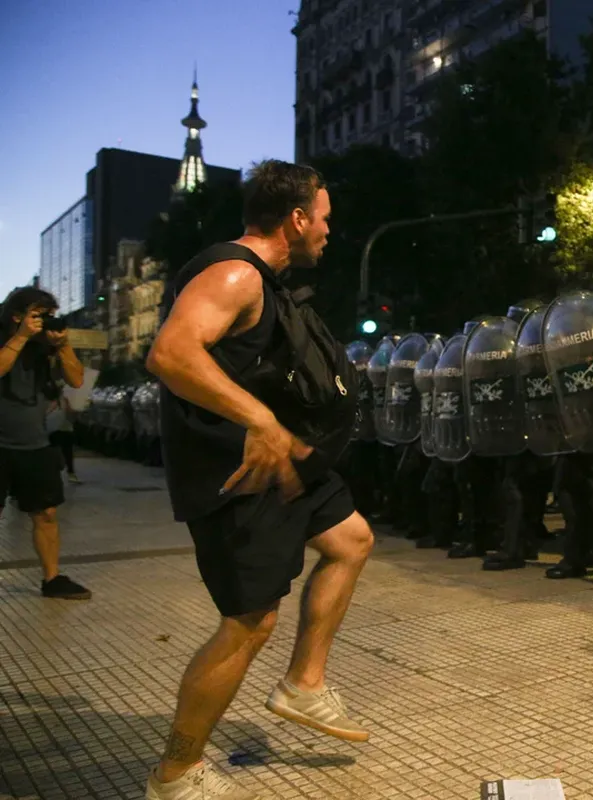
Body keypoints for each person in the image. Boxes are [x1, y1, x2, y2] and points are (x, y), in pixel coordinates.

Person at [144, 160, 374, 800]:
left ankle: (304, 684)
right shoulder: (236, 273)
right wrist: (260, 421)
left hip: (287, 467)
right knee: (248, 624)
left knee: (351, 541)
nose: (329, 230)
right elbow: (170, 353)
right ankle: (174, 774)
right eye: (324, 217)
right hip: (240, 474)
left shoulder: (267, 284)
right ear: (297, 218)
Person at [0, 287, 89, 599]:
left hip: (35, 444)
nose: (45, 323)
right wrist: (22, 336)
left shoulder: (47, 350)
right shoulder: (7, 340)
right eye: (38, 316)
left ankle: (52, 579)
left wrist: (63, 346)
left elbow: (78, 381)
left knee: (46, 513)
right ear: (17, 316)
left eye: (49, 316)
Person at [47, 379, 81, 484]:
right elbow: (71, 414)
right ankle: (70, 473)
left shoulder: (47, 400)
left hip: (54, 430)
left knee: (54, 453)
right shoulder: (63, 400)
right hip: (64, 429)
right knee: (67, 453)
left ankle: (55, 473)